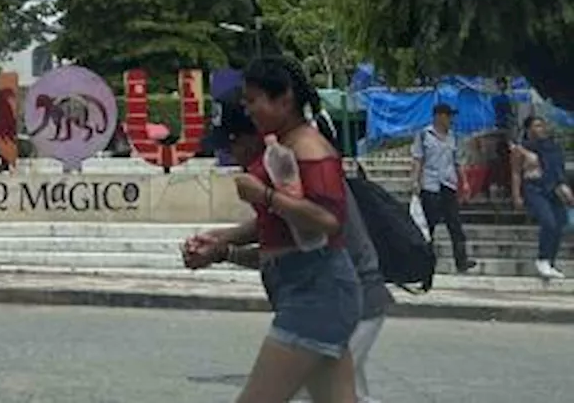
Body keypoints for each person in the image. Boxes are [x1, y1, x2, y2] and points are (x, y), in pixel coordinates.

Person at [186, 99, 393, 403]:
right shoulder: (278, 170)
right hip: (332, 298)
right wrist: (222, 242)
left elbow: (290, 249)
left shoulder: (296, 169)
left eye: (235, 142)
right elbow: (272, 235)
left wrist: (226, 250)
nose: (232, 154)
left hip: (345, 298)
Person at [410, 103, 476, 274]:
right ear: (439, 116)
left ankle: (461, 261)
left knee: (454, 224)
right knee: (428, 225)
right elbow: (418, 159)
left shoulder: (453, 137)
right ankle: (424, 262)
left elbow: (458, 161)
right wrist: (415, 181)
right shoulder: (425, 134)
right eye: (448, 116)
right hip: (430, 184)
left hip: (448, 184)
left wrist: (465, 182)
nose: (450, 120)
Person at [511, 116, 569, 280]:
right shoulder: (521, 149)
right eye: (537, 125)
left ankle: (550, 260)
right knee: (548, 221)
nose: (542, 128)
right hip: (534, 188)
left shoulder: (552, 148)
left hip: (552, 188)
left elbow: (559, 169)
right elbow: (515, 173)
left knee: (559, 223)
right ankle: (542, 258)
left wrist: (563, 187)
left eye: (543, 125)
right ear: (529, 129)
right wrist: (517, 195)